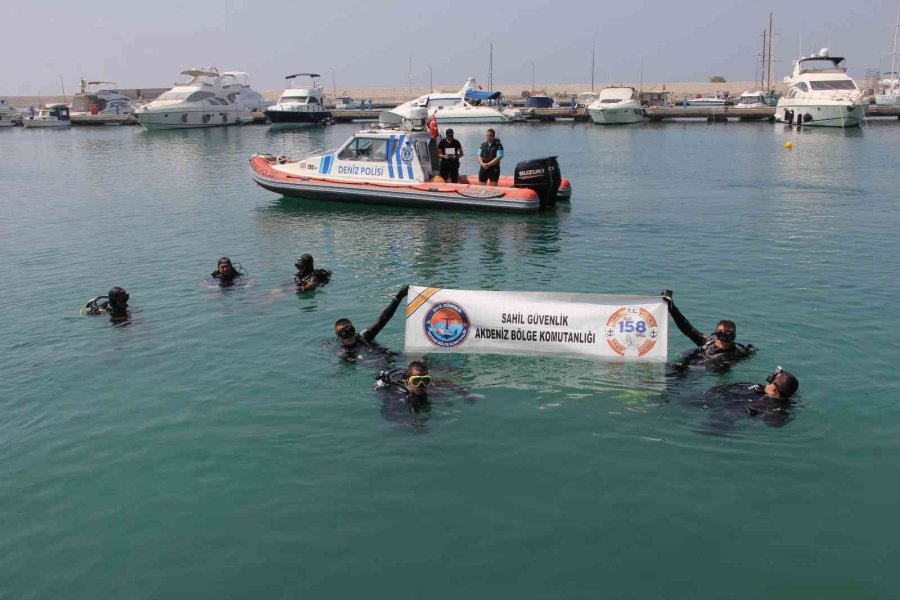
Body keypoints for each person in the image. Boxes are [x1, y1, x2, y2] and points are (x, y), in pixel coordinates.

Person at [661, 289, 756, 367]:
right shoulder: (707, 341)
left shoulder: (736, 354)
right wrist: (671, 306)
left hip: (699, 373)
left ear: (734, 337)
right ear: (715, 334)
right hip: (685, 364)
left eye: (729, 336)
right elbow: (686, 327)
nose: (724, 340)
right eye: (721, 335)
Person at [700, 366, 800, 428]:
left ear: (773, 388)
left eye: (771, 380)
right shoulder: (760, 389)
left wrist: (756, 414)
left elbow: (775, 422)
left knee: (705, 427)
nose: (767, 381)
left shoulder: (776, 409)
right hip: (718, 399)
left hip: (724, 413)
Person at [334, 285, 409, 352]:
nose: (349, 336)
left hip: (389, 358)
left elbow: (383, 319)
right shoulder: (341, 352)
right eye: (344, 333)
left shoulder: (364, 336)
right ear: (338, 336)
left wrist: (399, 296)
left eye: (350, 331)